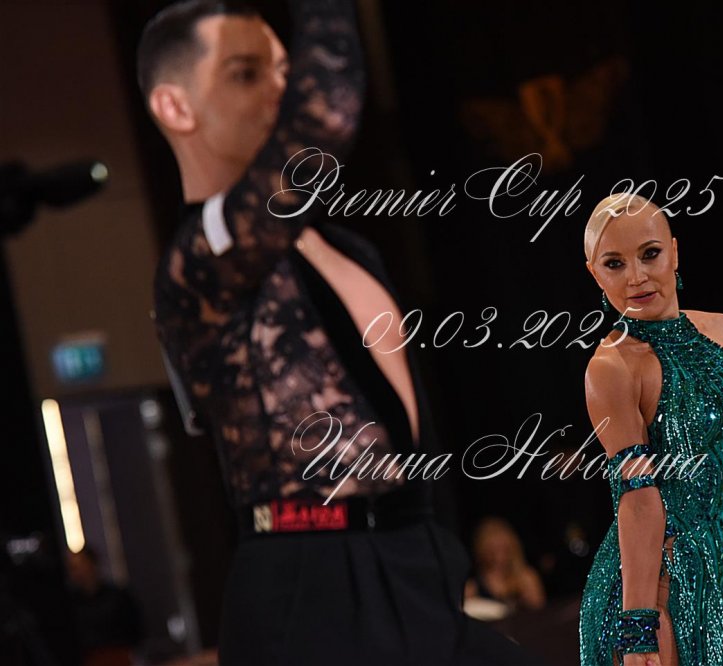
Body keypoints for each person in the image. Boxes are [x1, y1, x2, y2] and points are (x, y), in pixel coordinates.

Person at [139, 1, 545, 663]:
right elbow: (322, 116)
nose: (282, 87)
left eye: (285, 69)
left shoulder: (351, 250)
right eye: (246, 73)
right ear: (175, 107)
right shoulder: (199, 261)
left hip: (412, 562)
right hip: (308, 583)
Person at [577, 193, 723, 666]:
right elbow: (639, 501)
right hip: (662, 591)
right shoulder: (612, 367)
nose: (636, 277)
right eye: (615, 263)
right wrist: (638, 627)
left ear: (675, 251)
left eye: (650, 253)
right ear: (595, 274)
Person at [464, 517, 546, 612]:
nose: (499, 558)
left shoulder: (526, 576)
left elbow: (539, 607)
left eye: (505, 550)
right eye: (492, 552)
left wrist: (524, 592)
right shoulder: (474, 584)